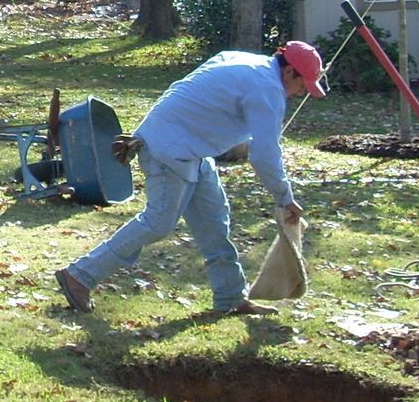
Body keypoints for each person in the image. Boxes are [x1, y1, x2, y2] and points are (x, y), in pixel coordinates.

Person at [53, 42, 319, 319]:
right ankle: (80, 275)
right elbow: (265, 155)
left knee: (214, 221)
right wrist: (284, 198)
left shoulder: (243, 60)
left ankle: (230, 298)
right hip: (170, 149)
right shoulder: (268, 88)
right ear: (289, 72)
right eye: (303, 86)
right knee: (157, 222)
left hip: (188, 147)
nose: (301, 93)